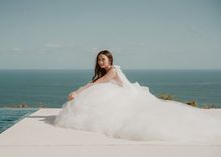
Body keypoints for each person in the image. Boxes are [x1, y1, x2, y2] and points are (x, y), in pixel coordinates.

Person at [54, 50, 221, 143]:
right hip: (123, 92)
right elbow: (97, 81)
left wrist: (78, 91)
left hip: (128, 96)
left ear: (110, 60)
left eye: (103, 59)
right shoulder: (109, 70)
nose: (100, 62)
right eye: (99, 60)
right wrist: (80, 90)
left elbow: (98, 83)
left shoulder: (112, 70)